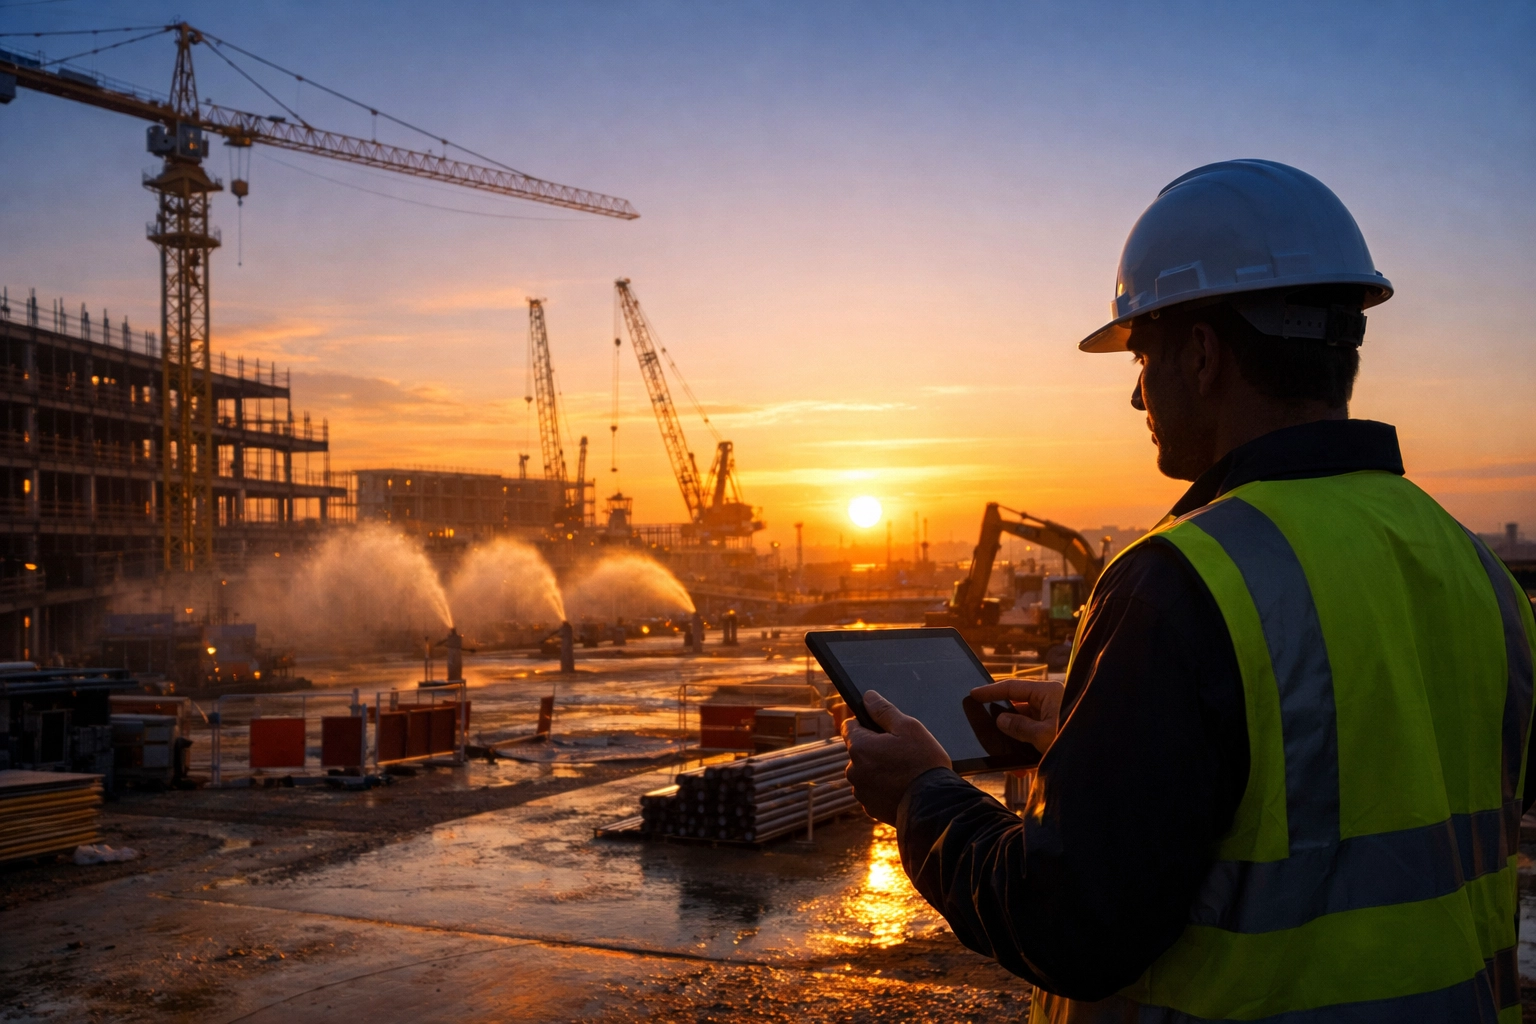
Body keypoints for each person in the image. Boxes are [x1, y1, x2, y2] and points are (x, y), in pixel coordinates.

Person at [843, 160, 1536, 1023]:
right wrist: (1123, 729)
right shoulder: (1473, 568)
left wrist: (921, 796)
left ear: (1202, 354)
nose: (1137, 392)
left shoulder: (1185, 579)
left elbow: (1069, 924)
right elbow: (1362, 771)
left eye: (1142, 354)